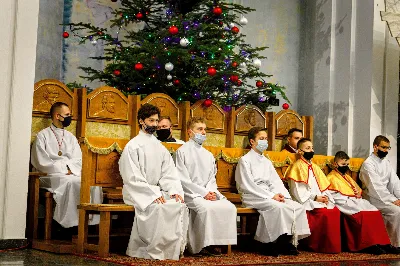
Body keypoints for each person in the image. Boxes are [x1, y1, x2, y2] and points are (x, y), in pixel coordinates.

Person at [118, 103, 189, 260]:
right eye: (151, 121)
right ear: (141, 121)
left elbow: (169, 173)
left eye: (157, 121)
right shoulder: (133, 146)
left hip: (156, 191)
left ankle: (169, 251)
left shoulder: (159, 147)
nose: (155, 124)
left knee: (178, 204)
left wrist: (174, 191)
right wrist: (151, 194)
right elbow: (132, 177)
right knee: (157, 208)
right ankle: (148, 250)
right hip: (137, 191)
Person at [235, 127, 310, 256]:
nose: (265, 141)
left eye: (266, 139)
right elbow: (247, 185)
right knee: (276, 207)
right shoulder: (245, 160)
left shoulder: (267, 161)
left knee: (296, 206)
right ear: (252, 141)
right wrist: (271, 196)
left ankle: (285, 241)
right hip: (252, 195)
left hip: (269, 194)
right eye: (261, 139)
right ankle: (267, 244)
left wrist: (283, 196)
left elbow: (275, 182)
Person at [31, 102, 102, 229]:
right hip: (48, 175)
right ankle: (69, 224)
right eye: (67, 114)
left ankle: (89, 222)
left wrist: (70, 169)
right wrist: (64, 169)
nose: (70, 117)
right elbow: (40, 161)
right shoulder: (43, 136)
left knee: (91, 184)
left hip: (70, 173)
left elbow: (79, 159)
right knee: (71, 183)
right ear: (57, 116)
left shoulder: (70, 137)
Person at [175, 117, 237, 256]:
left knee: (229, 207)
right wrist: (203, 193)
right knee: (206, 208)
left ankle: (217, 242)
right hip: (190, 193)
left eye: (204, 129)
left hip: (207, 192)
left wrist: (211, 192)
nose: (203, 132)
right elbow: (182, 179)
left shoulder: (208, 155)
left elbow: (211, 178)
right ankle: (198, 246)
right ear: (190, 132)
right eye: (199, 129)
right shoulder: (182, 152)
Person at [327, 151, 398, 254]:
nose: (345, 167)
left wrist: (357, 196)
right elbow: (334, 196)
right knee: (364, 214)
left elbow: (357, 190)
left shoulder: (347, 177)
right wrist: (351, 198)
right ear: (335, 164)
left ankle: (384, 243)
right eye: (343, 164)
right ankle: (369, 245)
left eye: (347, 164)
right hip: (344, 203)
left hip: (355, 201)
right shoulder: (331, 178)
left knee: (375, 212)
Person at [285, 138, 341, 253]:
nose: (311, 150)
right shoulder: (296, 167)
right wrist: (315, 198)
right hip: (306, 201)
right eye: (308, 148)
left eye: (312, 148)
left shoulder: (315, 167)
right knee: (325, 213)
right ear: (300, 151)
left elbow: (323, 186)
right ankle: (316, 245)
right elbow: (297, 192)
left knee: (334, 210)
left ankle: (331, 246)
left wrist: (326, 198)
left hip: (319, 200)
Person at [360, 135, 400, 248]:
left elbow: (395, 182)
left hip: (385, 196)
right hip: (372, 197)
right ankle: (392, 244)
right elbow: (375, 187)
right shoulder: (368, 164)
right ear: (375, 147)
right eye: (383, 147)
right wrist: (393, 200)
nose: (386, 150)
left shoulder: (386, 162)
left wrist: (399, 198)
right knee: (396, 211)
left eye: (388, 148)